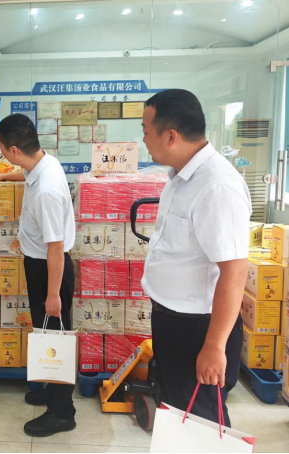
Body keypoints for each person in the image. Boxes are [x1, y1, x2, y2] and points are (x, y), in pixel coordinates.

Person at [141, 89, 251, 426]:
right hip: (173, 321)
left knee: (202, 421)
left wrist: (214, 347)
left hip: (199, 329)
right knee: (179, 413)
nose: (143, 139)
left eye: (146, 131)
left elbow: (234, 271)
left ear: (170, 136)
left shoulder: (216, 186)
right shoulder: (179, 177)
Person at [0, 114, 77, 437]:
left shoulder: (47, 190)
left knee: (57, 335)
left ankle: (62, 412)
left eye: (1, 149)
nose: (1, 153)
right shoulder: (42, 163)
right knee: (47, 332)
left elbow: (56, 247)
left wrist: (53, 294)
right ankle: (53, 391)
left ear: (14, 149)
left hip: (49, 269)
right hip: (40, 264)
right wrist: (3, 176)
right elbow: (24, 173)